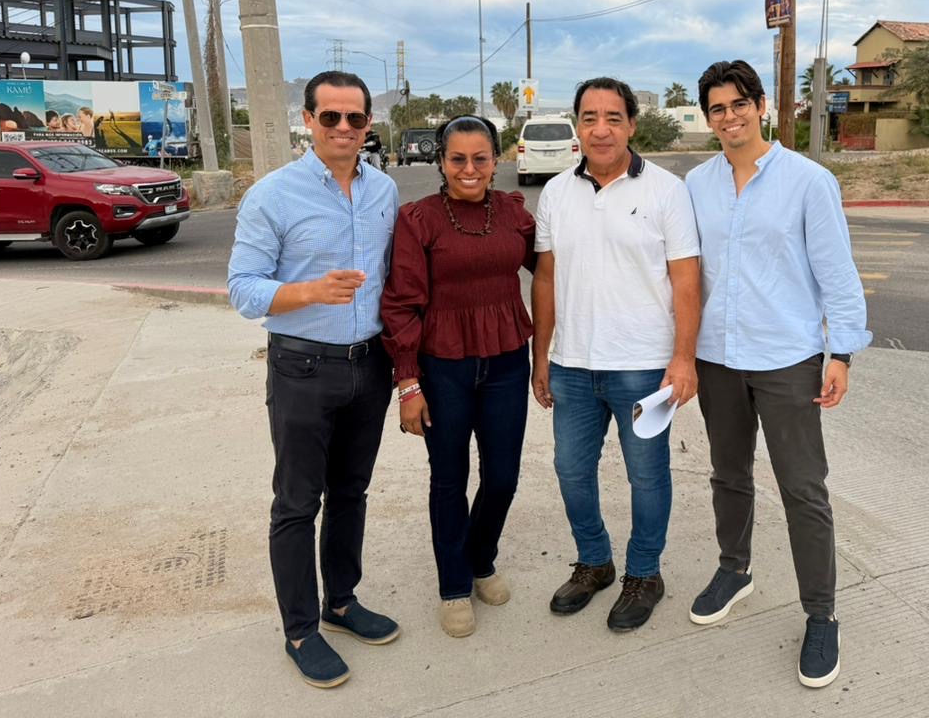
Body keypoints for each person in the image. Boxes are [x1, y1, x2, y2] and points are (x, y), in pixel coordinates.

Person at [683, 60, 871, 689]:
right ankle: (734, 569)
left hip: (787, 359)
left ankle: (821, 614)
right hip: (717, 357)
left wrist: (842, 353)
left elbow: (836, 272)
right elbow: (685, 273)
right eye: (717, 108)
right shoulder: (697, 184)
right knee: (728, 475)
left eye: (739, 104)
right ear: (707, 118)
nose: (729, 117)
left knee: (802, 489)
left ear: (761, 106)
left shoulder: (808, 181)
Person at [228, 70, 401, 689]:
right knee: (298, 503)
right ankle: (301, 630)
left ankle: (342, 602)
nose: (343, 128)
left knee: (351, 491)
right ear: (308, 121)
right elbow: (243, 289)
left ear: (368, 124)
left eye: (355, 118)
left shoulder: (384, 190)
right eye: (330, 117)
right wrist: (308, 291)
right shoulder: (272, 195)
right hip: (302, 366)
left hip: (369, 364)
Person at [531, 77, 701, 632]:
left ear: (631, 125)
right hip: (573, 366)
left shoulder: (667, 191)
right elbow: (546, 279)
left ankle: (645, 573)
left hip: (644, 368)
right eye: (589, 118)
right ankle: (595, 562)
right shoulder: (556, 192)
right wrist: (541, 356)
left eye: (612, 118)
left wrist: (683, 359)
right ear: (577, 126)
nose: (600, 129)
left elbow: (686, 280)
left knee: (646, 476)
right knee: (571, 470)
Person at [381, 115, 536, 638]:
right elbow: (400, 304)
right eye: (457, 159)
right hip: (442, 366)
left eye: (480, 158)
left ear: (495, 161)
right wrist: (408, 383)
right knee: (449, 478)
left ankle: (480, 559)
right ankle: (453, 584)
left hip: (508, 361)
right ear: (442, 162)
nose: (469, 169)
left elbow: (554, 268)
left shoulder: (512, 212)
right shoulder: (418, 219)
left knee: (503, 476)